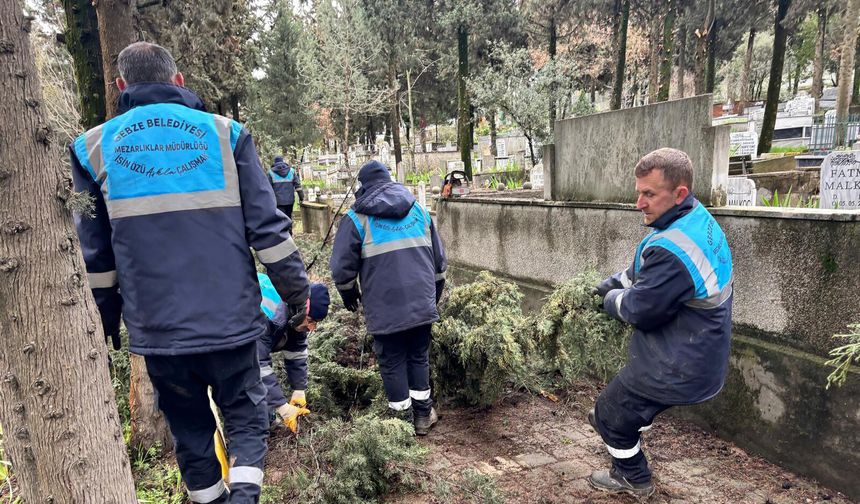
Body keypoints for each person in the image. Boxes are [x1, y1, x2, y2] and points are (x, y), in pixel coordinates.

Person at [70, 42, 310, 504]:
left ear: (121, 86)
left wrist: (106, 325)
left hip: (158, 332)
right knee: (244, 421)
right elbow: (269, 234)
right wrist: (298, 297)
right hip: (231, 324)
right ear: (178, 81)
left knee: (190, 432)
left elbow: (97, 259)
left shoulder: (92, 148)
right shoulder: (226, 135)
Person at [589, 148, 734, 497]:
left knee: (608, 415)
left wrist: (609, 301)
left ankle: (633, 477)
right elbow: (646, 270)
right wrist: (608, 284)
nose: (639, 202)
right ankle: (637, 424)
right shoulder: (690, 220)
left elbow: (639, 310)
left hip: (678, 364)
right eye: (638, 191)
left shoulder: (675, 250)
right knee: (622, 412)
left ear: (679, 193)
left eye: (649, 194)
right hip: (695, 350)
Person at [330, 160, 447, 435]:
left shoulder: (356, 218)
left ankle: (400, 426)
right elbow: (439, 262)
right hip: (421, 301)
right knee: (419, 356)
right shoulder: (418, 210)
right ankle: (422, 416)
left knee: (392, 360)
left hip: (384, 306)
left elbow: (340, 267)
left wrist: (348, 293)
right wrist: (433, 296)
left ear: (362, 186)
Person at [256, 273, 330, 433]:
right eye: (311, 321)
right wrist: (282, 406)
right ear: (301, 310)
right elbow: (257, 365)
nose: (312, 328)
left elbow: (296, 352)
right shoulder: (266, 315)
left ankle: (267, 422)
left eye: (315, 323)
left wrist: (299, 388)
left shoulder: (296, 315)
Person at [268, 156, 303, 222]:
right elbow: (298, 186)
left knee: (280, 220)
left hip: (278, 202)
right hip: (290, 201)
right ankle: (289, 231)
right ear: (283, 161)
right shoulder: (291, 171)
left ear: (275, 162)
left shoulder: (271, 172)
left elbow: (268, 189)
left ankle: (283, 231)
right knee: (289, 217)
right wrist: (301, 198)